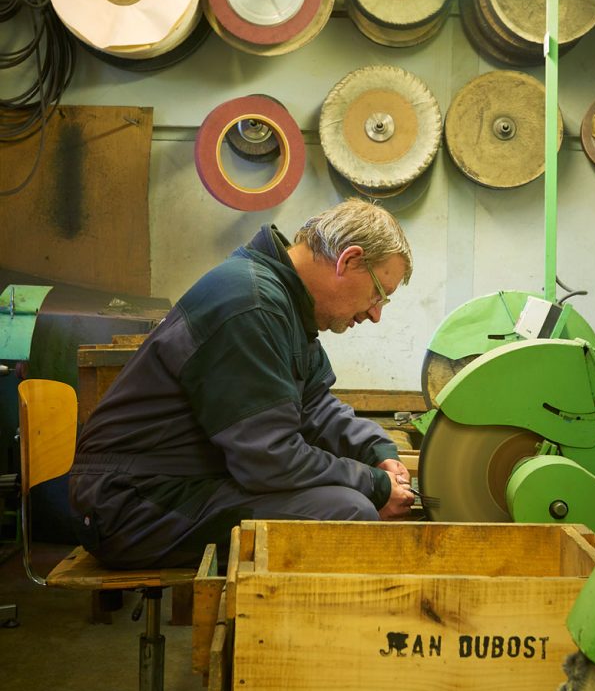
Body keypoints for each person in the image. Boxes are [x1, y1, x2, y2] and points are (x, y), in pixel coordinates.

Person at [69, 198, 416, 569]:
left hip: (180, 485)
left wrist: (377, 453)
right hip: (133, 502)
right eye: (379, 293)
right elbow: (270, 460)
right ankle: (267, 627)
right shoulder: (251, 304)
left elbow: (316, 407)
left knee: (347, 497)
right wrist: (373, 485)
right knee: (346, 511)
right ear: (348, 260)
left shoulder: (286, 303)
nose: (376, 314)